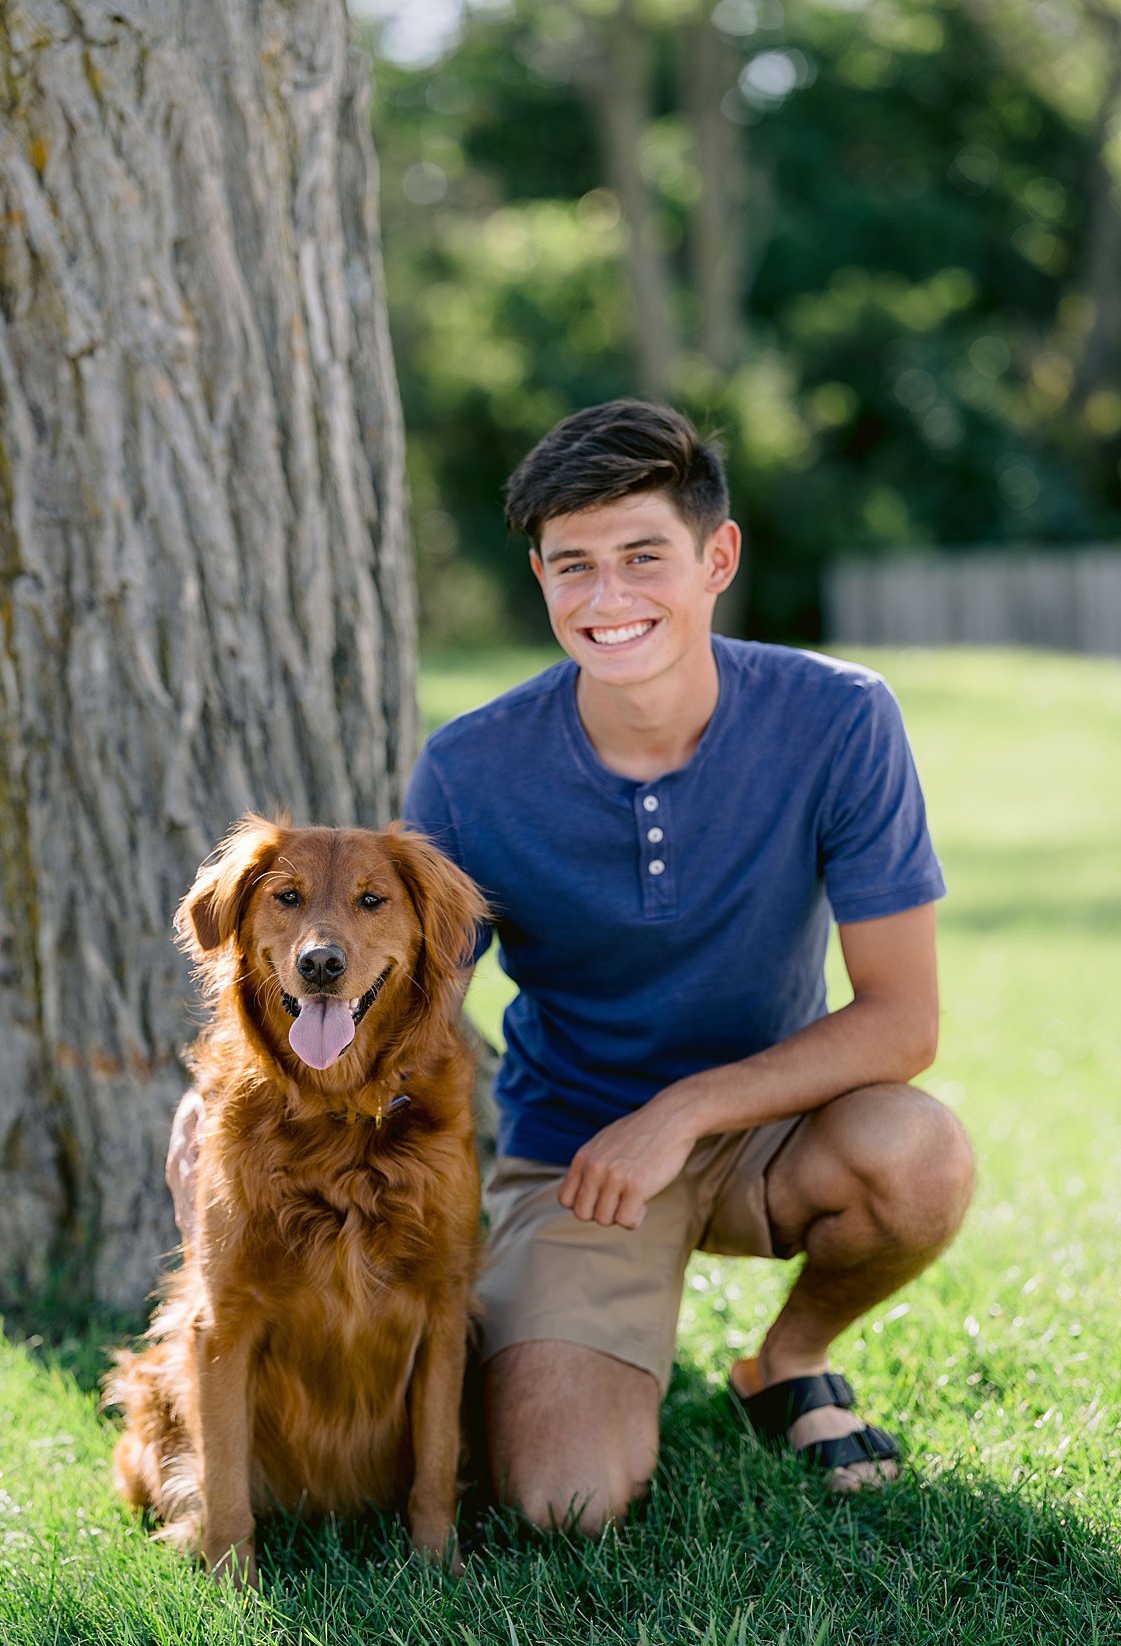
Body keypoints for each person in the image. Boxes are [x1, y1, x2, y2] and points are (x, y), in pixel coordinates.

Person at [169, 399, 974, 1534]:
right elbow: (392, 1001)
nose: (606, 599)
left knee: (919, 1153)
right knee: (561, 1502)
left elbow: (901, 1024)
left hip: (773, 1130)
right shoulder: (469, 768)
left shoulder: (839, 718)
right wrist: (228, 1106)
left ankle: (784, 1365)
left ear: (717, 558)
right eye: (571, 566)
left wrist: (684, 1113)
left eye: (642, 557)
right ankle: (607, 1335)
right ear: (540, 577)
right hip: (574, 1161)